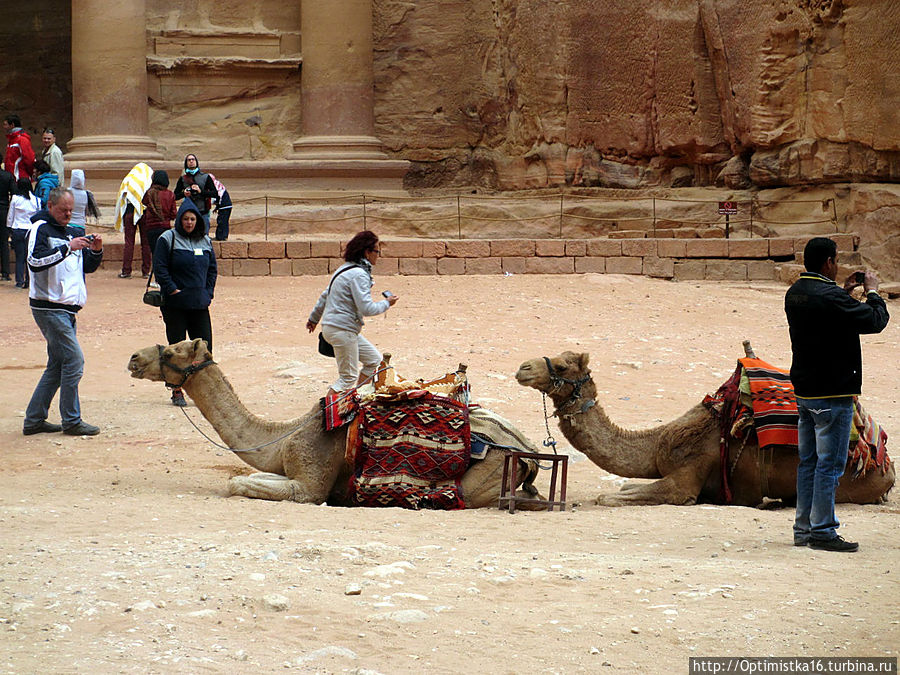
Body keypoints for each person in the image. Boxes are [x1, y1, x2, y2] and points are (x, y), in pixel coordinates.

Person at [784, 237, 889, 553]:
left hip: (805, 391)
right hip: (832, 393)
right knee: (830, 465)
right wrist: (872, 290)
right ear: (828, 262)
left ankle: (803, 529)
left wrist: (842, 292)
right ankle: (824, 531)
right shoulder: (828, 297)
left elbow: (828, 315)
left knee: (809, 463)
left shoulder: (796, 293)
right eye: (836, 260)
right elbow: (874, 320)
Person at [24, 187, 103, 436]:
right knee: (74, 360)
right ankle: (71, 420)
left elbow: (85, 268)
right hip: (48, 308)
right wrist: (67, 248)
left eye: (71, 210)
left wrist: (96, 250)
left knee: (57, 365)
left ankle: (34, 420)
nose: (68, 214)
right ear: (50, 207)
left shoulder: (73, 231)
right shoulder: (39, 229)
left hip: (68, 309)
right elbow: (34, 262)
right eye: (63, 210)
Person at [306, 230, 399, 396]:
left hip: (335, 327)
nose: (378, 256)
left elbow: (324, 296)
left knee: (375, 362)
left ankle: (359, 399)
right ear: (367, 252)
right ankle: (327, 414)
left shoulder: (344, 269)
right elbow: (367, 308)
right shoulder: (359, 275)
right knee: (347, 378)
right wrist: (387, 303)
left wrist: (313, 319)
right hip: (342, 330)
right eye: (377, 251)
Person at [153, 200, 217, 406]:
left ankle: (206, 390)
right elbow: (160, 268)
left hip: (199, 303)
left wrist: (208, 292)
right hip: (175, 305)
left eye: (192, 219)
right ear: (180, 219)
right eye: (185, 219)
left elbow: (212, 270)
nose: (189, 223)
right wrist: (173, 290)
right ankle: (177, 390)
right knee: (176, 348)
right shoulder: (167, 238)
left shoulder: (205, 241)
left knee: (205, 347)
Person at [114, 163, 154, 279]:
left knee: (129, 242)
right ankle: (146, 271)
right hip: (145, 214)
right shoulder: (148, 182)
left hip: (129, 213)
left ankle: (126, 271)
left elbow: (121, 199)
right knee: (146, 243)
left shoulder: (128, 181)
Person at [7, 177, 40, 288]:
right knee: (29, 256)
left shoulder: (15, 199)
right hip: (30, 230)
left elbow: (11, 215)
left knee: (19, 257)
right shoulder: (36, 200)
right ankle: (29, 280)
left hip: (18, 229)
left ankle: (19, 281)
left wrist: (9, 227)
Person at [174, 154, 217, 231]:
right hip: (188, 212)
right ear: (186, 163)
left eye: (193, 159)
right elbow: (175, 196)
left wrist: (200, 191)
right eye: (189, 160)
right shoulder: (183, 179)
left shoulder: (205, 177)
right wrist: (184, 194)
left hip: (202, 211)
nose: (191, 161)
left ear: (196, 162)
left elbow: (215, 193)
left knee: (204, 236)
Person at [141, 170, 177, 258]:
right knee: (165, 253)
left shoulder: (149, 193)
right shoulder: (170, 194)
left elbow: (144, 202)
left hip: (151, 228)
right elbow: (174, 214)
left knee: (155, 253)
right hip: (165, 227)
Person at [68, 169, 101, 235]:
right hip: (81, 225)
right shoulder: (86, 194)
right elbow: (86, 211)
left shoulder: (67, 192)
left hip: (69, 224)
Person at [3, 114, 35, 180]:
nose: (4, 127)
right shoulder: (12, 139)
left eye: (5, 124)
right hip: (12, 178)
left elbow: (29, 159)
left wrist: (29, 174)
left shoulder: (22, 139)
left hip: (20, 178)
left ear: (12, 125)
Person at [207, 173, 232, 241]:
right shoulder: (218, 184)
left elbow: (218, 197)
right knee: (224, 221)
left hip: (225, 206)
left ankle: (221, 237)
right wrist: (217, 207)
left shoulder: (215, 186)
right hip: (226, 206)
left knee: (221, 221)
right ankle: (223, 236)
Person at [0, 165, 14, 281]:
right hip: (4, 209)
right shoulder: (7, 176)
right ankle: (5, 272)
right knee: (4, 241)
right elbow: (14, 193)